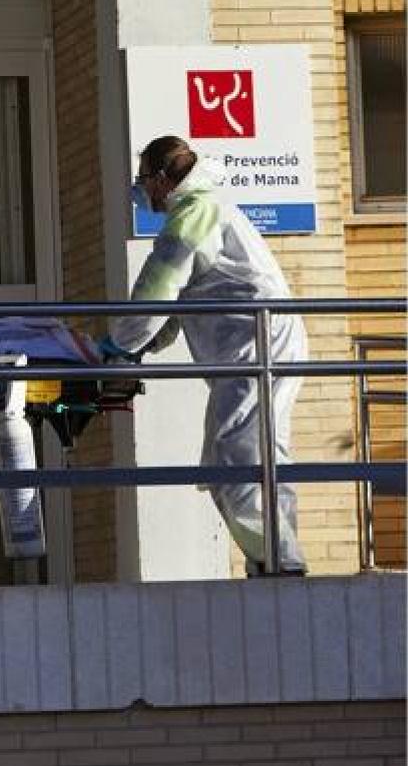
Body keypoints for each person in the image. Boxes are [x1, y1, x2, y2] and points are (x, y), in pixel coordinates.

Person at [102, 135, 309, 576]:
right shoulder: (208, 209)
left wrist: (120, 345)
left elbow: (158, 287)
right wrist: (143, 345)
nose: (141, 193)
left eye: (143, 182)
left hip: (257, 347)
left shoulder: (194, 213)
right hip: (260, 345)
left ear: (161, 179)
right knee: (254, 455)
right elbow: (183, 302)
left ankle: (280, 564)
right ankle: (274, 558)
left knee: (237, 459)